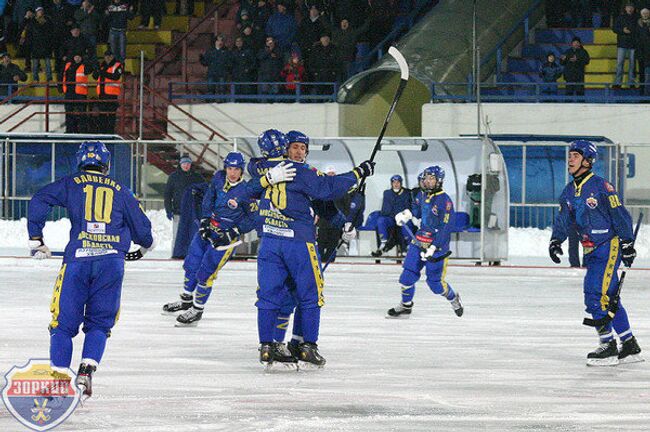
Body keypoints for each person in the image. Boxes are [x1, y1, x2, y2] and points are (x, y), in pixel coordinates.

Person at [27, 141, 155, 398]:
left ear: (80, 161)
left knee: (62, 324)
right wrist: (143, 249)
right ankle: (86, 371)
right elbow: (143, 230)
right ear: (107, 164)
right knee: (100, 323)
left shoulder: (71, 183)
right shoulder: (122, 190)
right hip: (111, 264)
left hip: (78, 261)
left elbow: (40, 198)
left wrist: (36, 238)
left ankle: (60, 379)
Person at [255, 130, 375, 369]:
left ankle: (270, 346)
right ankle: (306, 346)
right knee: (310, 293)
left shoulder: (261, 168)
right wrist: (358, 173)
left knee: (274, 295)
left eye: (303, 148)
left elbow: (321, 204)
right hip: (298, 243)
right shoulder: (298, 171)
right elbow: (327, 188)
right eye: (295, 147)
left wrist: (343, 224)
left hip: (271, 242)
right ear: (284, 149)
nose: (299, 152)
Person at [162, 147, 296, 322]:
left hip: (225, 239)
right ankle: (186, 300)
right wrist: (204, 221)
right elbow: (209, 199)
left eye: (236, 169)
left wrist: (234, 231)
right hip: (209, 229)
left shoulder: (247, 191)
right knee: (191, 263)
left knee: (206, 273)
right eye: (230, 168)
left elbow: (254, 218)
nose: (232, 173)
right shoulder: (218, 179)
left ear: (241, 170)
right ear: (225, 168)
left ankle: (197, 309)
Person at [549, 140, 642, 366]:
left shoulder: (602, 187)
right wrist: (556, 240)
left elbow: (620, 215)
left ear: (588, 161)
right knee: (608, 297)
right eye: (569, 155)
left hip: (607, 246)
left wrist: (627, 244)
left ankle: (608, 345)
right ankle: (629, 345)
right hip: (590, 250)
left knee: (593, 293)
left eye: (575, 155)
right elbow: (563, 219)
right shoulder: (569, 191)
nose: (570, 159)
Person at [386, 166, 464, 319]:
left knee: (435, 284)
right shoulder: (421, 194)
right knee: (407, 277)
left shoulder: (445, 201)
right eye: (425, 178)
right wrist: (407, 214)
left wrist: (434, 247)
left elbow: (446, 228)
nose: (427, 181)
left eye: (431, 178)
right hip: (419, 241)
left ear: (439, 181)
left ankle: (453, 298)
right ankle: (406, 306)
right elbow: (417, 209)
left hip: (438, 248)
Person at [164, 154, 204, 258]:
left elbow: (204, 192)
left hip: (193, 213)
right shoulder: (173, 177)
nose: (186, 165)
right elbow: (168, 194)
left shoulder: (197, 177)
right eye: (184, 163)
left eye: (188, 163)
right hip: (178, 212)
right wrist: (168, 209)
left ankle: (192, 254)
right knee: (178, 234)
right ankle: (176, 254)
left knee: (193, 234)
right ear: (180, 164)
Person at [372, 174, 411, 257]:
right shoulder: (387, 193)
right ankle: (383, 242)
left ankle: (408, 246)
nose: (396, 184)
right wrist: (393, 215)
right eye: (394, 182)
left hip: (402, 218)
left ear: (401, 183)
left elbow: (407, 208)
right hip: (391, 218)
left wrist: (402, 215)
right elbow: (385, 210)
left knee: (407, 224)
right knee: (381, 220)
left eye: (398, 182)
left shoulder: (407, 193)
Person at [93, 49, 122, 134]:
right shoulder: (102, 65)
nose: (108, 58)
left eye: (110, 56)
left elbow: (116, 77)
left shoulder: (117, 65)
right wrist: (96, 70)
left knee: (111, 115)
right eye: (106, 56)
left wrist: (102, 72)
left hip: (112, 95)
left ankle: (110, 133)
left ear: (113, 56)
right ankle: (103, 133)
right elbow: (95, 77)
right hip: (102, 94)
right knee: (102, 115)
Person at [63, 53, 93, 133]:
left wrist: (87, 61)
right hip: (69, 92)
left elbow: (90, 69)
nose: (77, 59)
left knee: (82, 113)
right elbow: (63, 76)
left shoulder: (84, 66)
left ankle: (83, 131)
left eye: (79, 57)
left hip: (80, 93)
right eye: (76, 57)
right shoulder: (68, 65)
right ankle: (70, 130)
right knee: (69, 112)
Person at [613, 2, 638, 88]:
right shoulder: (620, 17)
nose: (630, 9)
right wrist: (622, 30)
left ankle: (631, 83)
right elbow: (614, 28)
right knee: (620, 64)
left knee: (632, 65)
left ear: (634, 8)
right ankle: (618, 83)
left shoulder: (637, 18)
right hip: (622, 44)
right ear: (625, 8)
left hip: (633, 44)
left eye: (631, 7)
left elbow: (639, 30)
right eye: (628, 7)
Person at [28, 6, 53, 82]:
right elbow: (30, 34)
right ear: (36, 12)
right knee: (35, 64)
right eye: (39, 11)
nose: (40, 12)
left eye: (41, 11)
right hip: (36, 45)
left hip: (46, 45)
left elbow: (51, 33)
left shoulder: (48, 21)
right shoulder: (32, 22)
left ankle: (49, 78)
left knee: (48, 64)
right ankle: (35, 78)